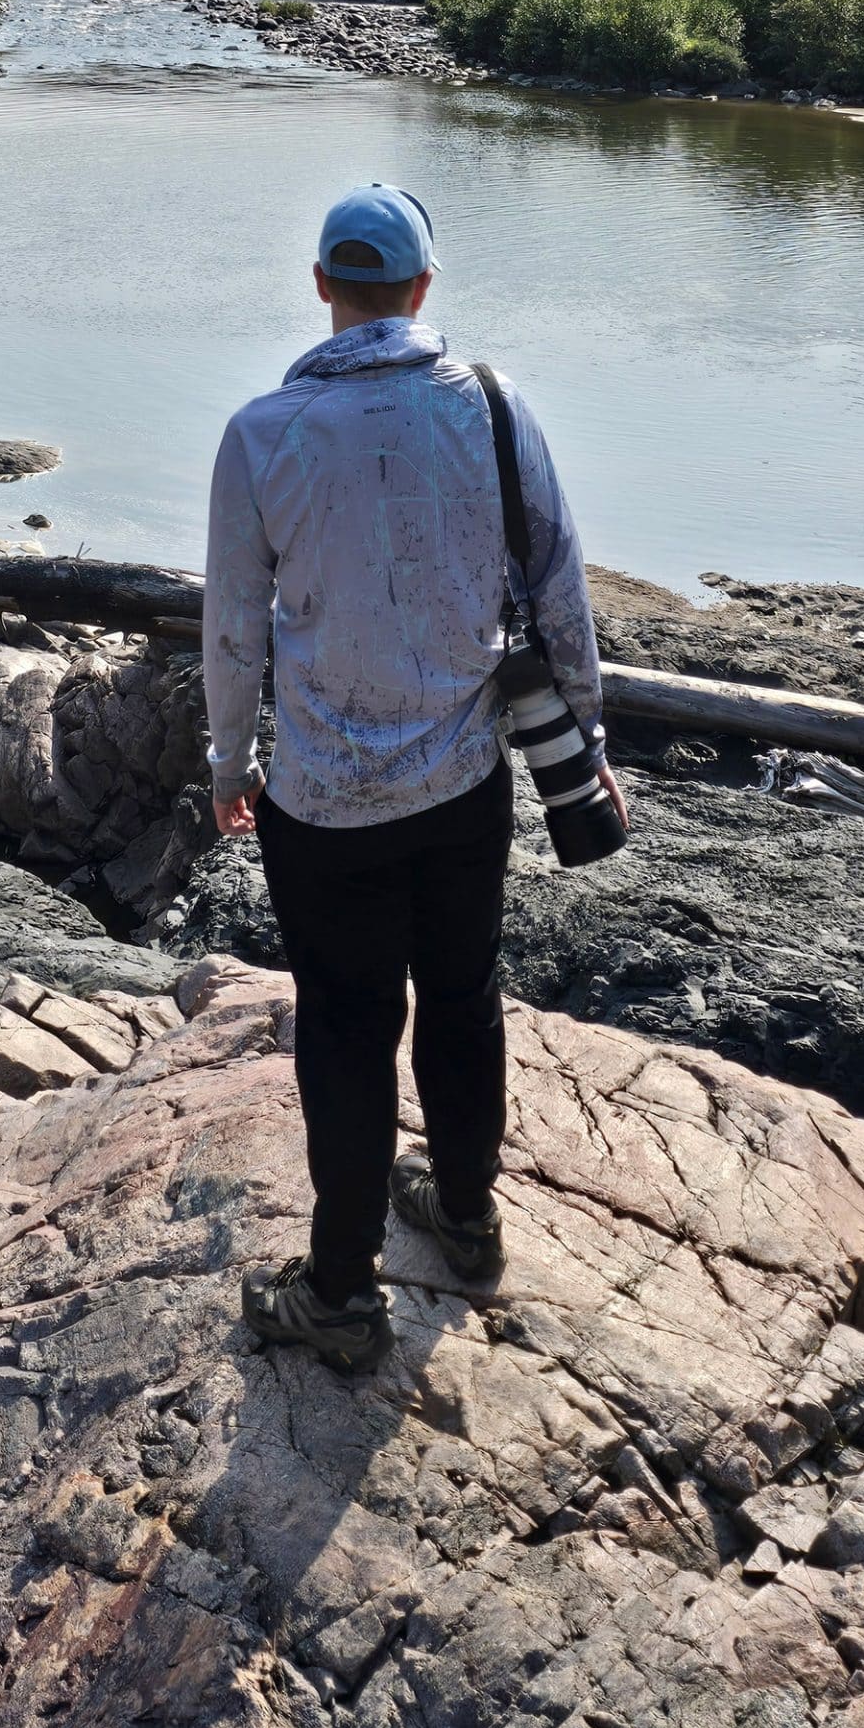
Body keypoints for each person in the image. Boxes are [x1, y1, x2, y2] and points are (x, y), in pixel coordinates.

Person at [203, 181, 625, 1374]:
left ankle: (340, 1292)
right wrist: (586, 748)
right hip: (461, 785)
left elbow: (232, 628)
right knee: (461, 992)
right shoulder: (492, 407)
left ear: (325, 286)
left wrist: (228, 762)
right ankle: (469, 1210)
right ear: (423, 289)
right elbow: (561, 594)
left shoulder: (262, 431)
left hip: (323, 801)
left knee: (343, 1029)